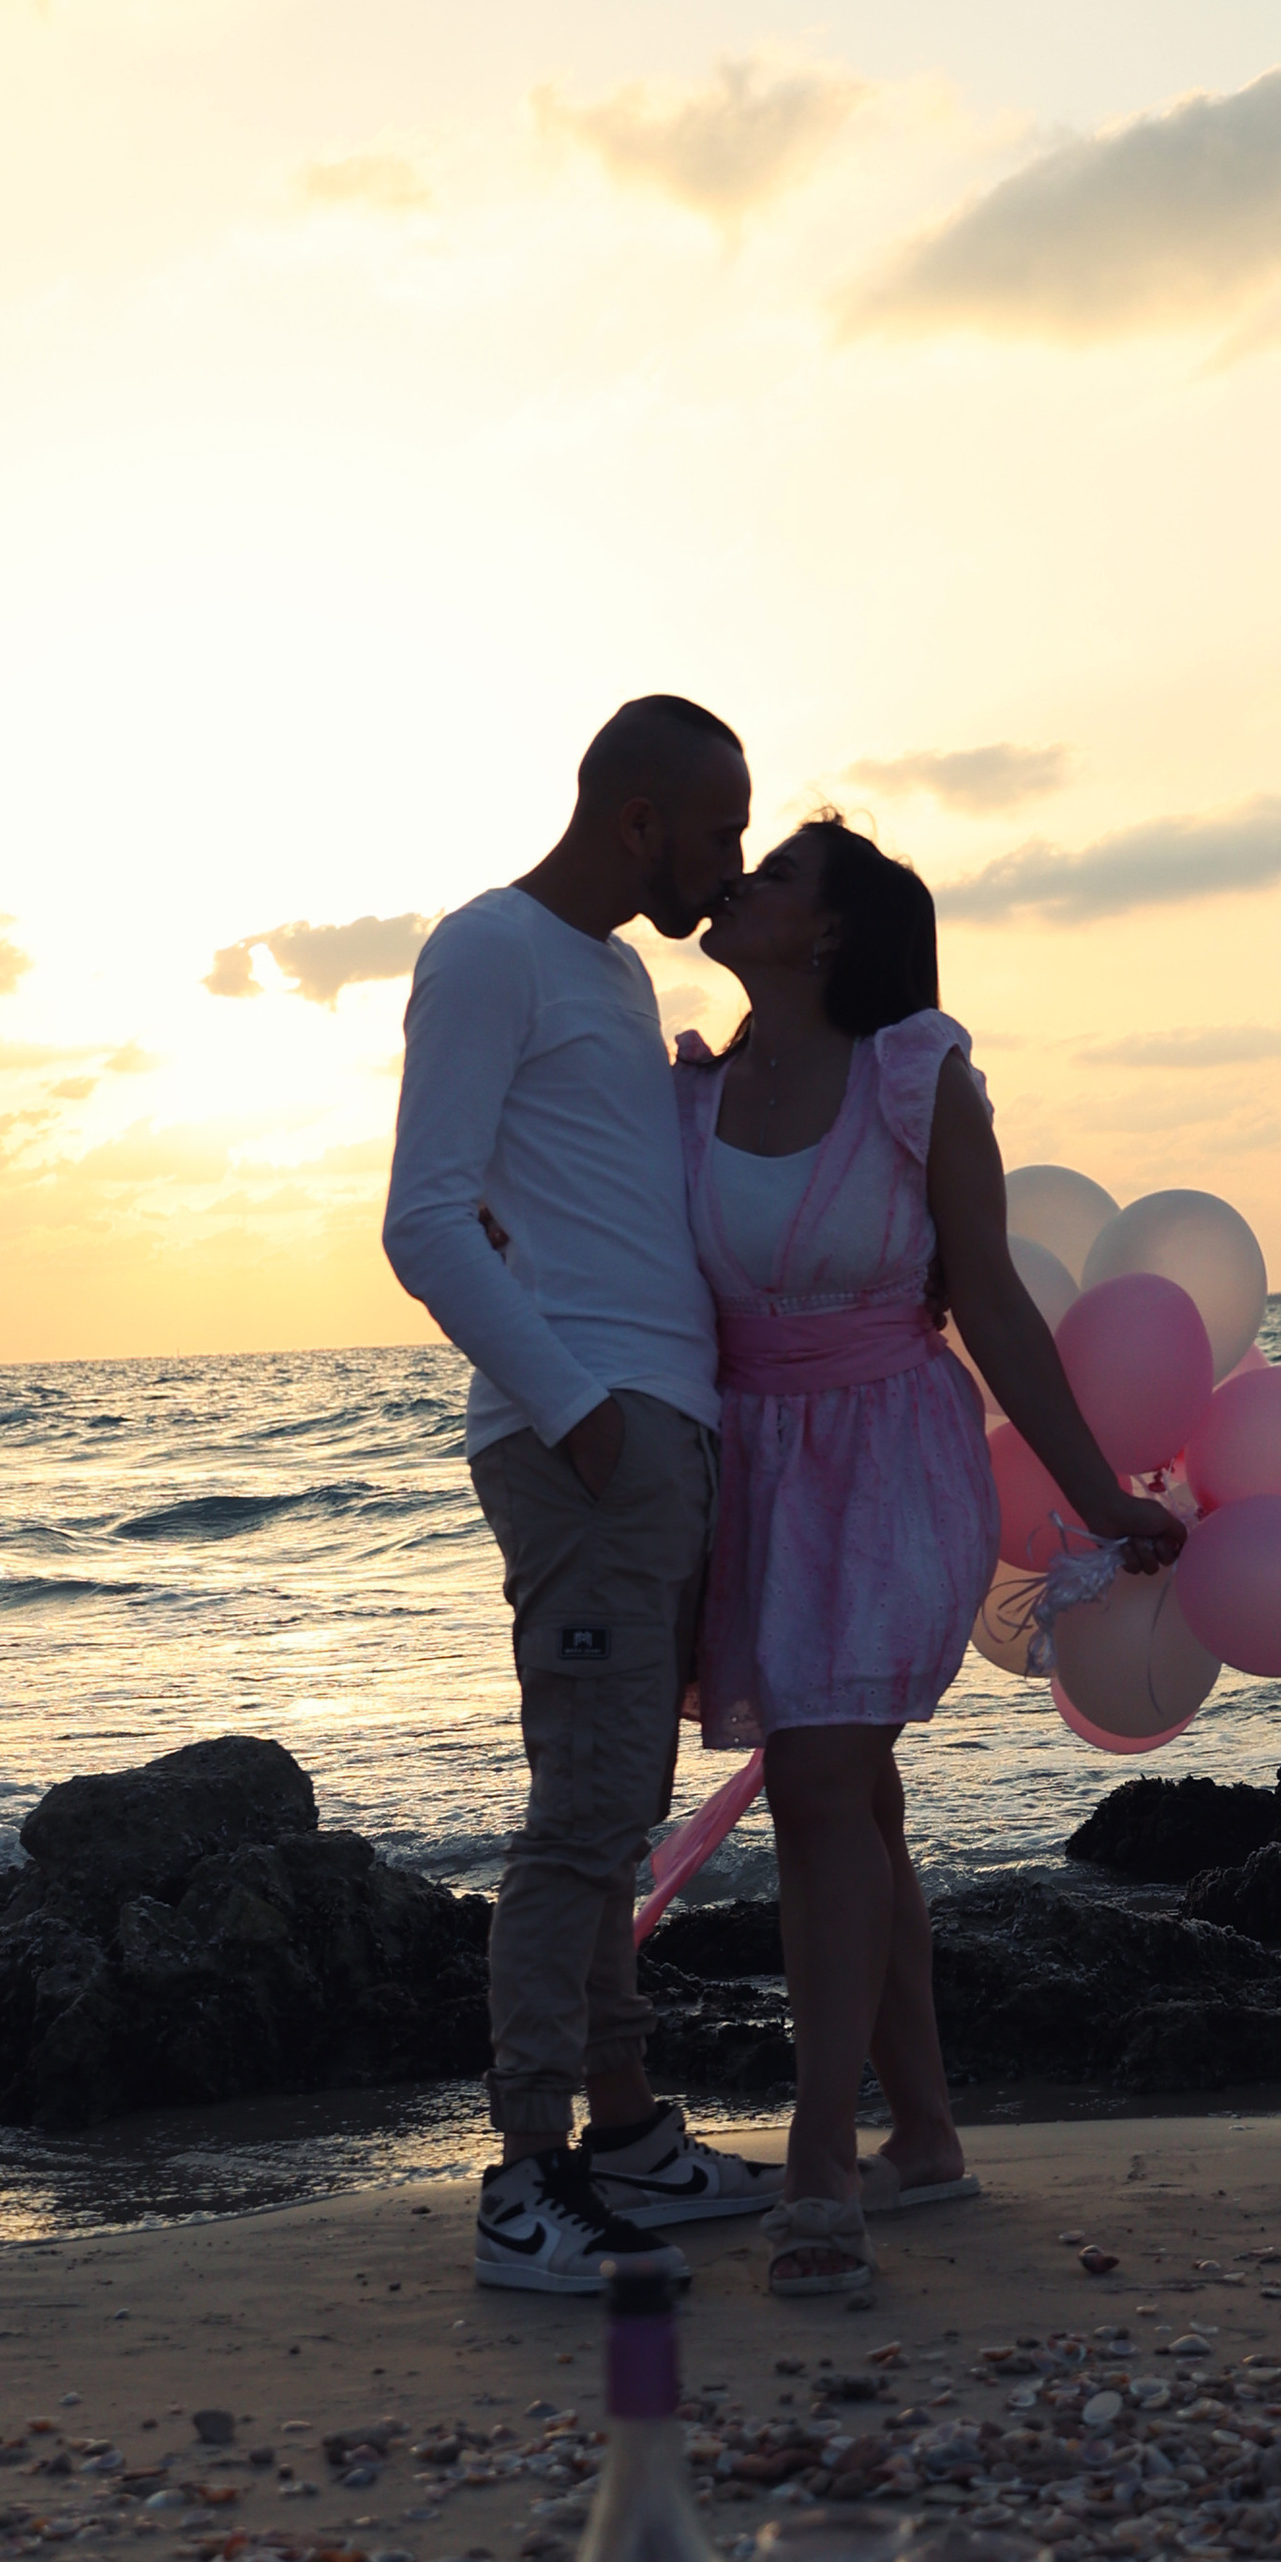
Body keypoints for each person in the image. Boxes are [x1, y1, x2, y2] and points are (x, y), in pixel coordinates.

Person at [678, 810, 1183, 2298]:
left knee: (826, 1788)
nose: (740, 883)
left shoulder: (917, 1077)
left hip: (891, 1457)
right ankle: (933, 2140)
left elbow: (996, 1310)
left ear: (829, 931)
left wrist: (1095, 1496)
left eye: (773, 877)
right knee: (852, 1803)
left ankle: (824, 2161)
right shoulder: (687, 1094)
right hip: (754, 1467)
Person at [383, 695, 785, 2294]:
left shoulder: (615, 976)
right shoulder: (490, 949)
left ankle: (622, 2138)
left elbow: (592, 1198)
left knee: (615, 1813)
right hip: (592, 1442)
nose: (731, 861)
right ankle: (526, 2178)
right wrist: (584, 1419)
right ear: (639, 822)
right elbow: (423, 1221)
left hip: (657, 1435)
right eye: (720, 828)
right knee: (579, 1823)